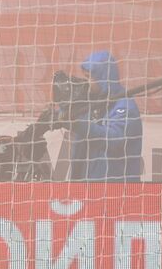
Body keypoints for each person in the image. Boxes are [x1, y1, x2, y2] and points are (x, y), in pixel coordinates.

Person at [59, 50, 142, 182]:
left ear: (103, 77)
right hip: (89, 189)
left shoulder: (125, 107)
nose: (86, 83)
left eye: (89, 77)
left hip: (118, 191)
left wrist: (77, 124)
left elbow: (114, 139)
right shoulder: (93, 101)